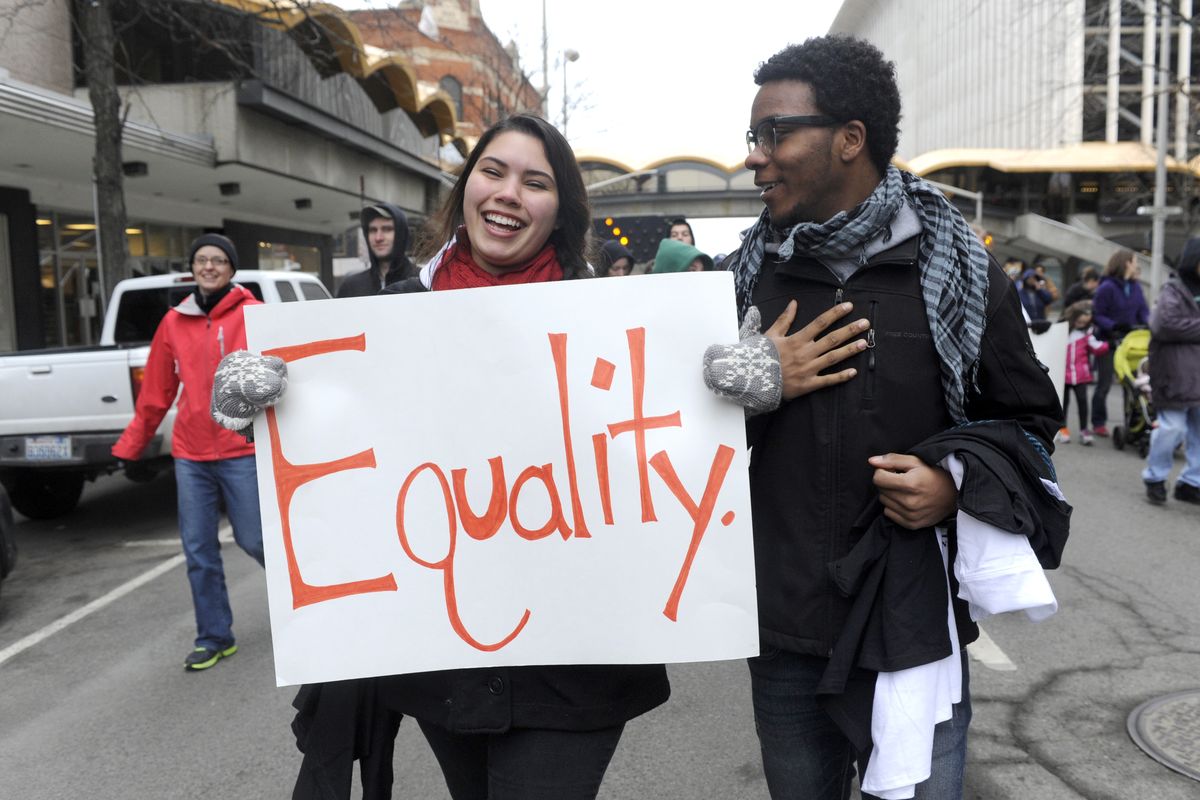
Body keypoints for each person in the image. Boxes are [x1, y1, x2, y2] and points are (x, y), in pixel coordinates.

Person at [707, 35, 1063, 800]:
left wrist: (953, 483)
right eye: (753, 137)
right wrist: (759, 377)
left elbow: (1032, 423)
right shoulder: (742, 280)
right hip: (781, 626)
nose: (755, 157)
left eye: (774, 134)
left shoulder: (961, 270)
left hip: (912, 621)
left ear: (849, 139)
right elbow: (669, 445)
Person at [273, 114, 670, 800]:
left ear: (560, 211)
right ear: (464, 188)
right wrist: (271, 408)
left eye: (535, 181)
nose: (509, 192)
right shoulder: (384, 314)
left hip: (574, 660)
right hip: (443, 663)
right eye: (494, 171)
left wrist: (726, 392)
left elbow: (672, 457)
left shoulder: (609, 321)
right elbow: (336, 467)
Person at [112, 233, 266, 671]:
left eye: (219, 260)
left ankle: (310, 609)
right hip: (192, 454)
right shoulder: (173, 322)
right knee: (198, 551)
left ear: (232, 269)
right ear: (193, 268)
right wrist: (132, 446)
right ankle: (214, 637)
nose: (210, 267)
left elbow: (282, 372)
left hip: (241, 449)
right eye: (202, 260)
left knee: (256, 540)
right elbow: (156, 393)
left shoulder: (255, 315)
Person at [1141, 237, 1200, 505]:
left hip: (1195, 375)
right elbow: (1164, 325)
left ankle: (1191, 482)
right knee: (1172, 429)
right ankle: (1155, 476)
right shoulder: (1173, 290)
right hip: (1174, 374)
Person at [1091, 248, 1150, 437]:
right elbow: (1097, 314)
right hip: (1109, 340)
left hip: (1130, 342)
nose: (1136, 265)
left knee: (1132, 384)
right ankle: (1098, 422)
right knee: (1105, 384)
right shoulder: (1106, 287)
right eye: (1134, 261)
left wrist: (1149, 325)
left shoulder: (1135, 287)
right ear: (1126, 263)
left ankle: (1131, 421)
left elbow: (1144, 311)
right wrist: (1115, 326)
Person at [336, 203, 418, 297]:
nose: (378, 238)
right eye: (373, 230)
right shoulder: (350, 287)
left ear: (401, 234)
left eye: (387, 229)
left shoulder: (422, 282)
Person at [1060, 300, 1108, 445]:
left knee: (1083, 402)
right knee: (1063, 403)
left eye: (1084, 322)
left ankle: (1084, 430)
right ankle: (1063, 429)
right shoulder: (1062, 331)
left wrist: (1109, 344)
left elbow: (1098, 347)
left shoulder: (1087, 334)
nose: (1082, 324)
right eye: (1079, 321)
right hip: (1064, 374)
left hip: (1080, 374)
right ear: (1073, 318)